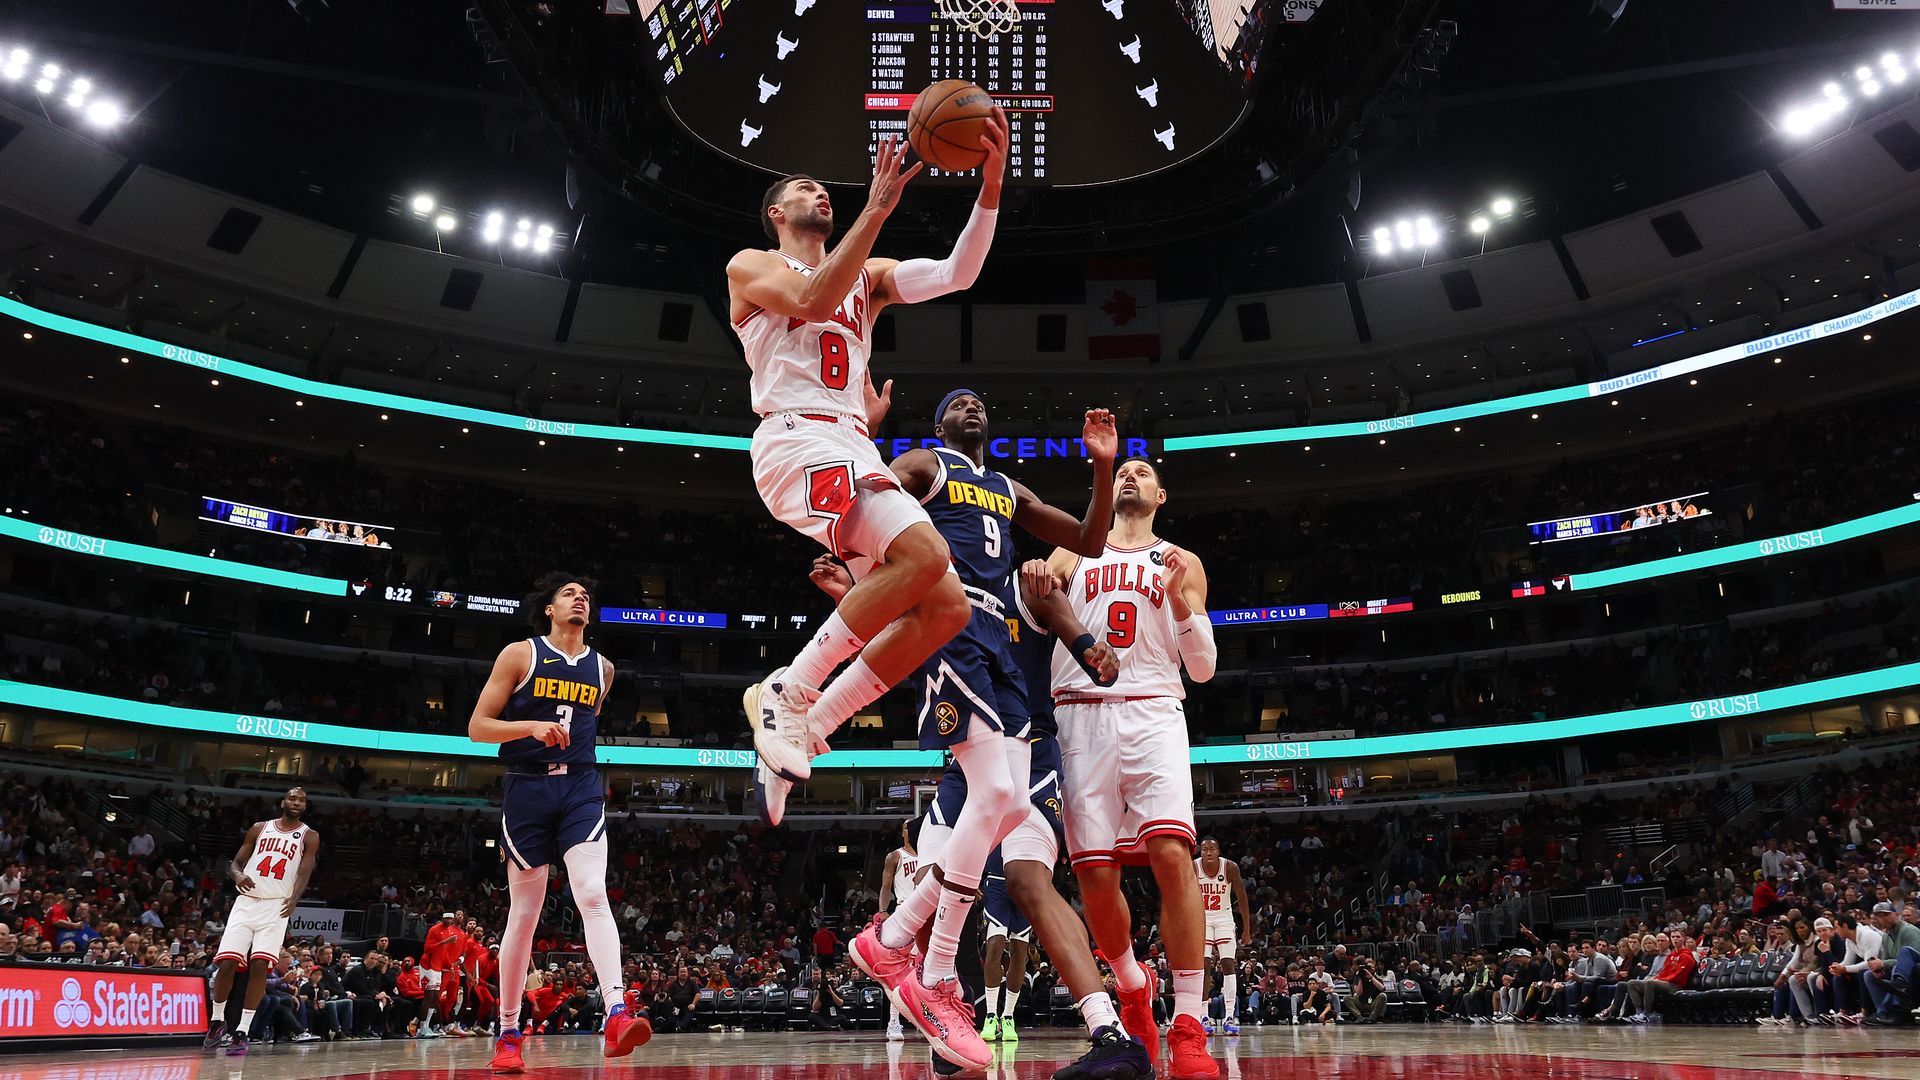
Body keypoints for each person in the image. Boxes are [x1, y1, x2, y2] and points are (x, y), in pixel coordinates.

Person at [726, 115, 1010, 828]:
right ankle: (789, 694)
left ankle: (809, 726)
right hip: (796, 441)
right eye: (803, 189)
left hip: (848, 442)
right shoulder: (752, 265)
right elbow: (813, 299)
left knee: (945, 606)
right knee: (927, 552)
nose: (819, 193)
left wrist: (992, 185)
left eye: (825, 190)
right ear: (775, 214)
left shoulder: (869, 278)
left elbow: (957, 272)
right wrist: (877, 207)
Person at [821, 391, 1117, 1070]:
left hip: (995, 636)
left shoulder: (1006, 489)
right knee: (990, 800)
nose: (973, 407)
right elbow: (863, 504)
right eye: (958, 404)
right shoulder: (928, 463)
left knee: (1008, 799)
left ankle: (892, 940)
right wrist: (865, 438)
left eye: (981, 403)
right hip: (949, 616)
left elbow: (1090, 540)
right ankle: (930, 975)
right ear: (938, 425)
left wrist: (1101, 468)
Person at [1040, 457, 1219, 1080]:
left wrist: (1178, 605)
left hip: (1153, 710)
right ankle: (1132, 988)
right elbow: (1035, 614)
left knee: (1174, 853)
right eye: (1125, 470)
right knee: (1093, 873)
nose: (1130, 476)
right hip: (1079, 714)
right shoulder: (1075, 550)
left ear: (1161, 495)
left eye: (1144, 472)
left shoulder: (1182, 561)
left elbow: (1202, 668)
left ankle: (1190, 1027)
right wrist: (1036, 577)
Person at [468, 574, 651, 1072]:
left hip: (580, 787)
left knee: (592, 893)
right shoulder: (519, 655)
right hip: (526, 787)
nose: (580, 598)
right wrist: (531, 726)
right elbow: (477, 727)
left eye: (585, 595)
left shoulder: (603, 669)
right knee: (524, 914)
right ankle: (508, 1033)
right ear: (549, 609)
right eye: (569, 593)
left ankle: (616, 1010)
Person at [205, 786, 320, 1056]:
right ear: (283, 801)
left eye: (302, 800)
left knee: (259, 965)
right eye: (293, 797)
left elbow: (305, 870)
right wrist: (237, 876)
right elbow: (234, 863)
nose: (297, 802)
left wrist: (295, 897)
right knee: (228, 962)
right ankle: (217, 1020)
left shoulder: (309, 836)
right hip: (246, 902)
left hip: (276, 907)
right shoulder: (259, 828)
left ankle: (242, 1030)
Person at [1193, 837, 1250, 1034]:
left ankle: (1229, 1017)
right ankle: (1203, 1016)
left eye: (1211, 849)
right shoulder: (1193, 867)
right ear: (1200, 852)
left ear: (1218, 851)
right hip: (1202, 918)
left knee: (1228, 964)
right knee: (1204, 965)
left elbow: (1242, 897)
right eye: (1204, 849)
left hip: (1224, 917)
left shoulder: (1230, 867)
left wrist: (1247, 929)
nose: (1208, 852)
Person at [875, 818, 920, 1041]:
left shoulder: (929, 854)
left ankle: (927, 1020)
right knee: (900, 972)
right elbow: (885, 886)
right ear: (902, 832)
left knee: (926, 971)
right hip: (904, 912)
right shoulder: (896, 856)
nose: (909, 828)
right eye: (906, 825)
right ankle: (894, 1022)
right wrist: (883, 911)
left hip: (926, 914)